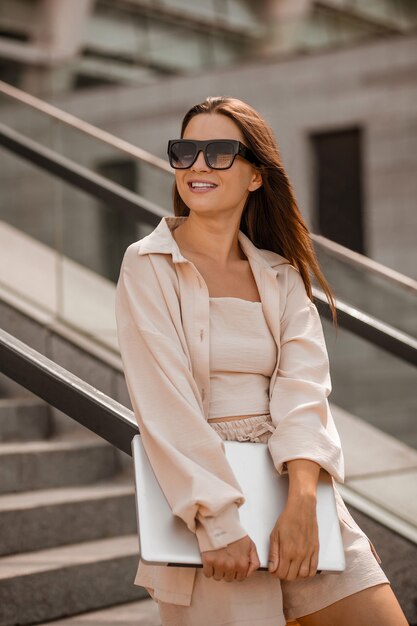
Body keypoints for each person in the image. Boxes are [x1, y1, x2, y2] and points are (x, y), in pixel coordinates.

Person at [115, 96, 408, 626]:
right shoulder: (147, 264)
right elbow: (164, 404)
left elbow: (304, 389)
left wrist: (302, 502)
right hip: (207, 506)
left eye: (220, 151)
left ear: (255, 176)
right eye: (186, 151)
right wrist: (219, 524)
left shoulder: (281, 274)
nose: (199, 165)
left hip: (296, 485)